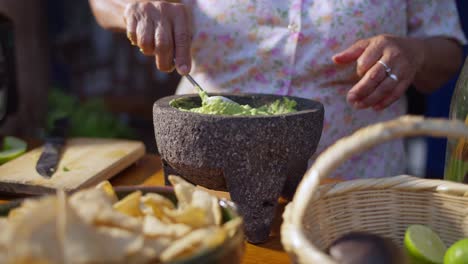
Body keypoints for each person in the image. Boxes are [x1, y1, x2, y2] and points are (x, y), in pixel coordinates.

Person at [89, 0, 466, 181]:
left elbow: (447, 48)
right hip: (207, 184)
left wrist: (414, 54)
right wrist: (135, 7)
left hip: (354, 189)